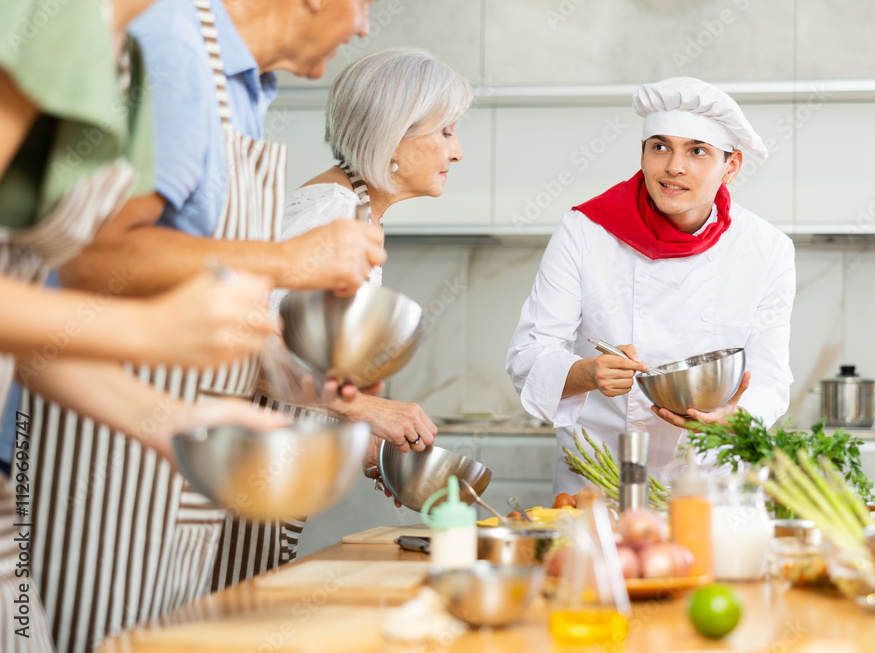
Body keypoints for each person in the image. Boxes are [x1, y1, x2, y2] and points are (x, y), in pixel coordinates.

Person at [17, 0, 380, 650]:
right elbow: (96, 261)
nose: (364, 26)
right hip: (107, 470)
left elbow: (198, 286)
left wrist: (288, 382)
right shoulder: (166, 45)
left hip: (156, 439)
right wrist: (289, 259)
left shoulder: (241, 87)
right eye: (365, 3)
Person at [507, 77, 795, 496]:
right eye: (660, 147)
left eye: (697, 151)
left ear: (731, 167)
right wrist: (587, 372)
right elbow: (527, 356)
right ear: (642, 154)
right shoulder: (584, 231)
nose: (674, 167)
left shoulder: (766, 249)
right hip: (599, 482)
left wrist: (737, 417)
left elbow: (769, 376)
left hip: (709, 484)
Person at [273, 47, 471, 487]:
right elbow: (248, 346)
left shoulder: (360, 213)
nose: (458, 152)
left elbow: (307, 364)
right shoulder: (331, 212)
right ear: (392, 136)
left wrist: (373, 449)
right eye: (445, 131)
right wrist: (365, 409)